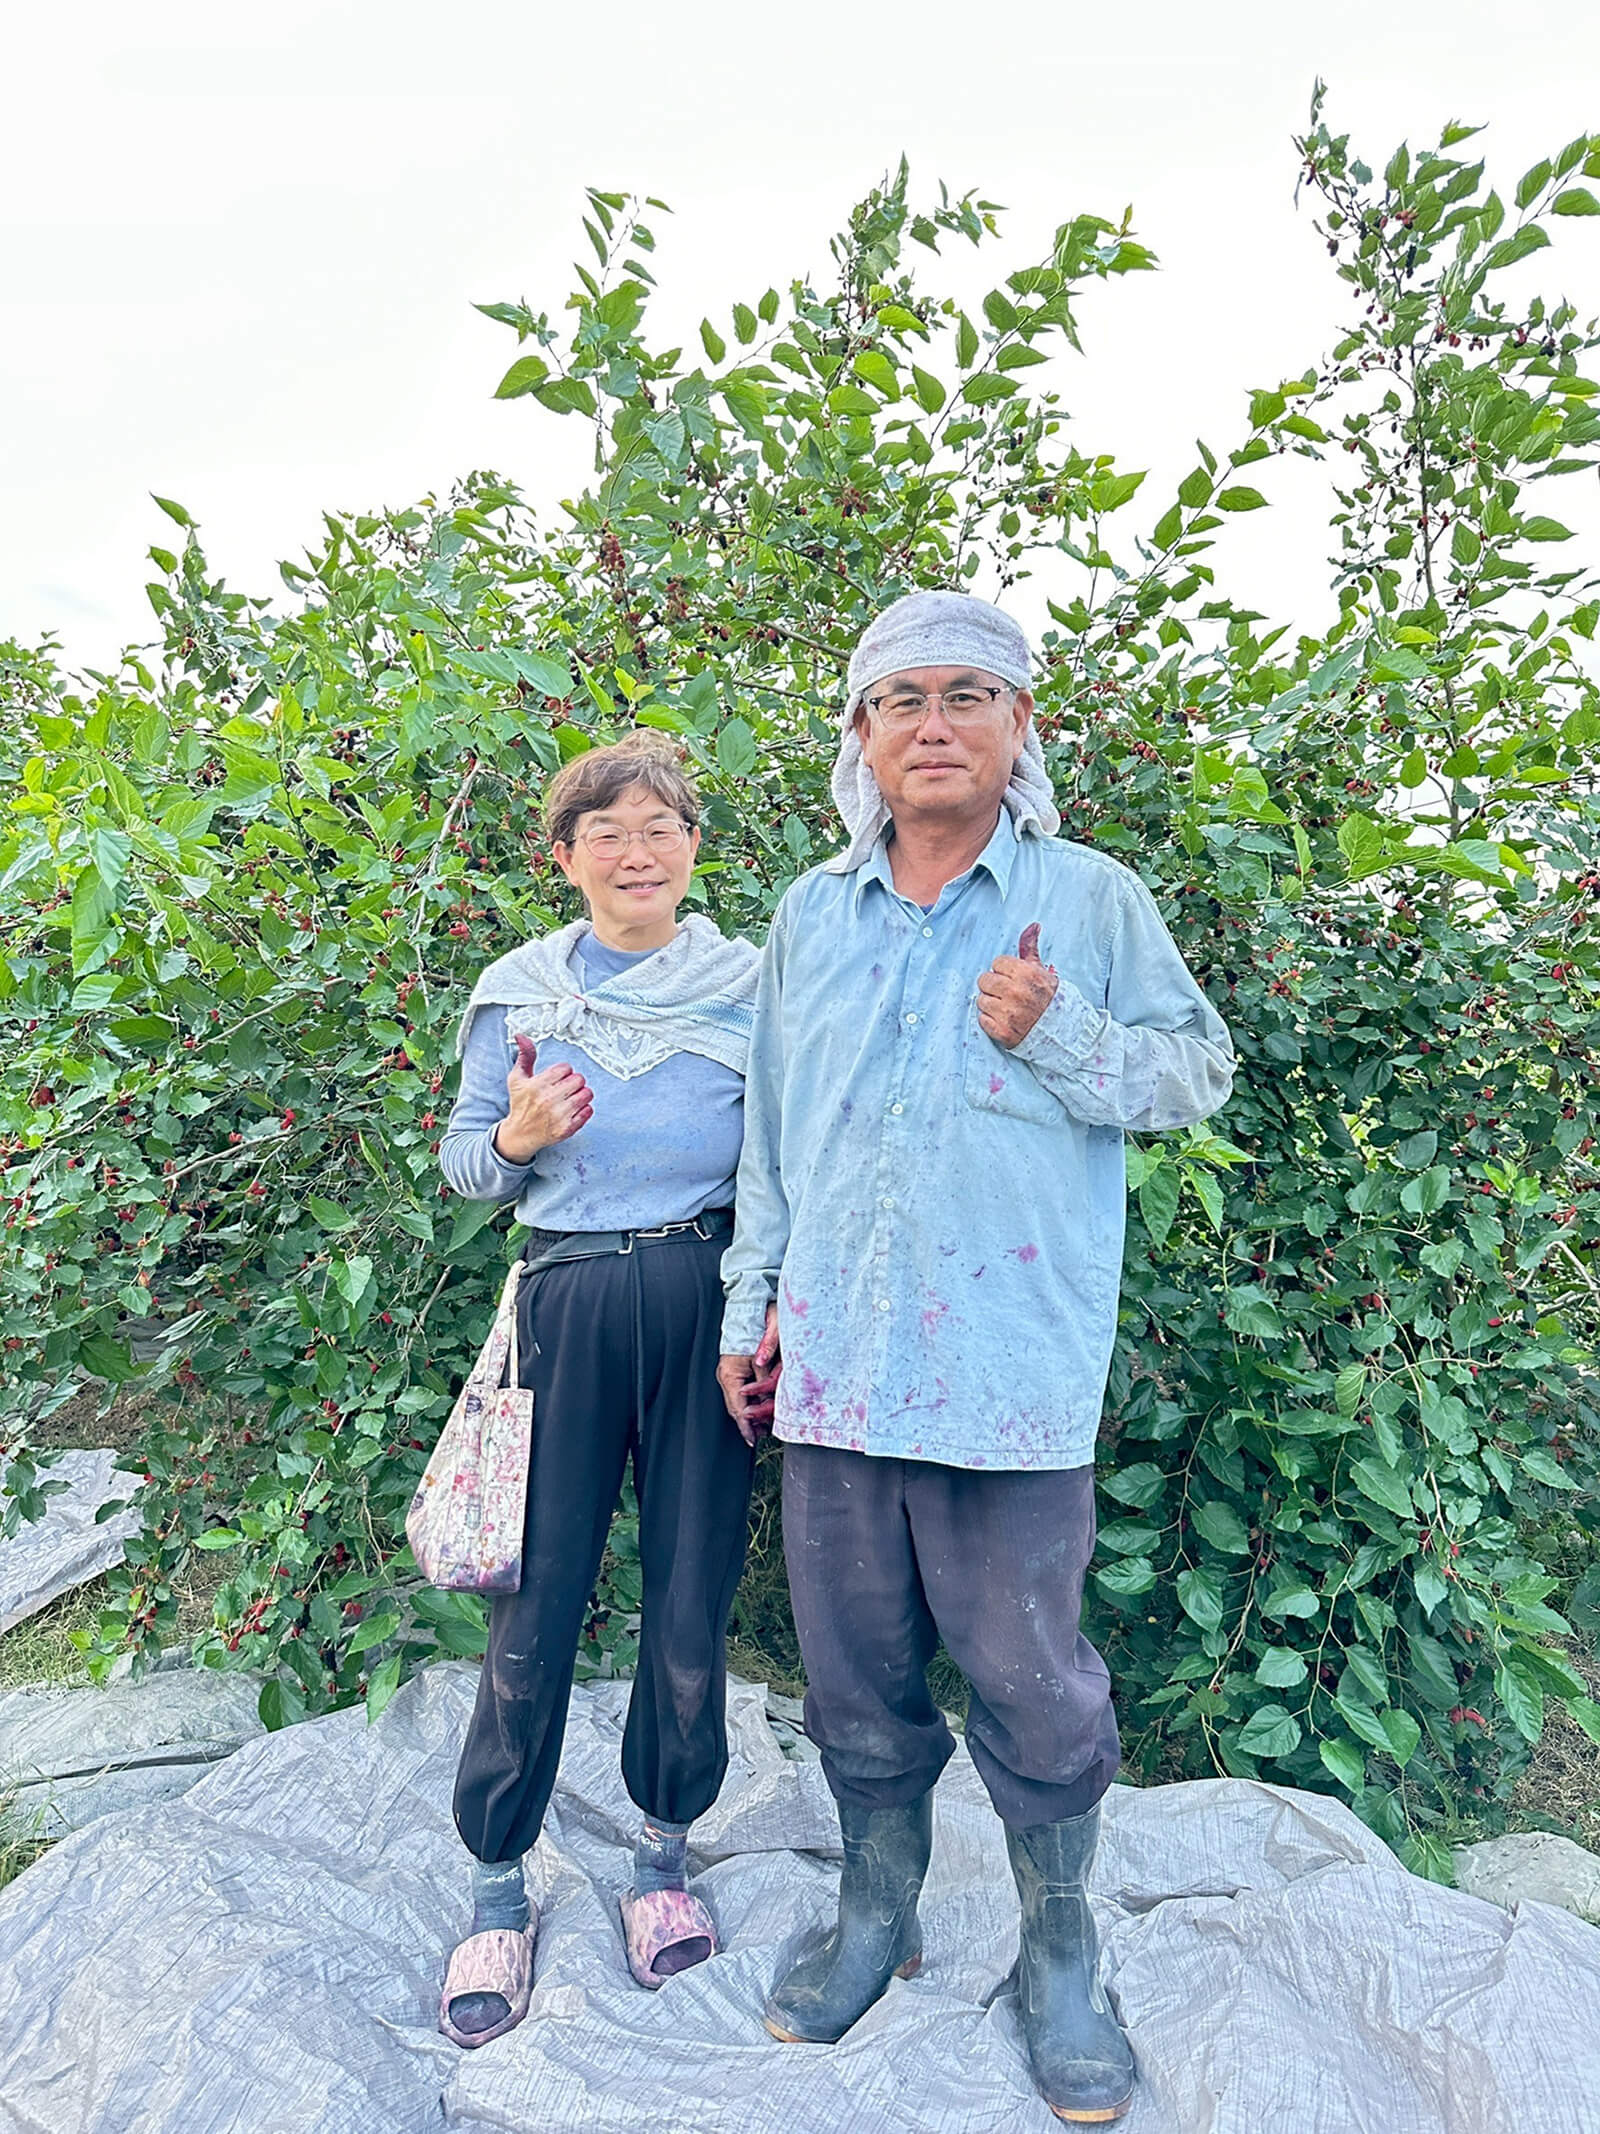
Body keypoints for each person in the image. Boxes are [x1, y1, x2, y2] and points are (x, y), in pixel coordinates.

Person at [717, 591, 1235, 2124]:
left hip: (1010, 1374)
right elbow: (773, 1137)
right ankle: (876, 1909)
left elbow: (1194, 1070)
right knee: (856, 1673)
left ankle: (1060, 1949)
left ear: (1021, 730)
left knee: (1032, 1677)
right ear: (862, 740)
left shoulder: (1087, 901)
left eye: (967, 697)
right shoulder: (810, 916)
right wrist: (754, 1309)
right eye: (901, 702)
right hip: (839, 1375)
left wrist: (1067, 1031)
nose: (933, 725)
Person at [435, 732, 765, 2048]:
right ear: (563, 857)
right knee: (533, 1602)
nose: (637, 849)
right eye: (606, 830)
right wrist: (516, 1138)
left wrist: (764, 1308)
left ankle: (662, 1863)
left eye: (661, 825)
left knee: (688, 1603)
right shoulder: (518, 992)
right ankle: (496, 1889)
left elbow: (784, 1165)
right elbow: (469, 1164)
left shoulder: (752, 985)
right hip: (562, 1302)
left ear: (693, 846)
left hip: (705, 1308)